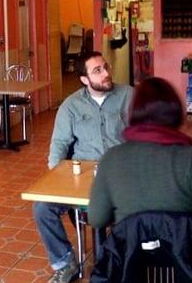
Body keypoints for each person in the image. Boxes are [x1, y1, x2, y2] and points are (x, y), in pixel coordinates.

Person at [88, 77, 192, 272]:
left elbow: (97, 218)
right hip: (187, 268)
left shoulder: (111, 158)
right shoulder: (191, 159)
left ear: (133, 114)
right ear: (176, 114)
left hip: (132, 267)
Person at [33, 51, 133, 283]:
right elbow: (59, 144)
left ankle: (122, 258)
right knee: (42, 208)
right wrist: (57, 177)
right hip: (82, 174)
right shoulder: (71, 106)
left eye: (105, 67)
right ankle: (64, 262)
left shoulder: (128, 96)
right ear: (84, 79)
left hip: (120, 172)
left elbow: (145, 134)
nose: (106, 73)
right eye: (97, 71)